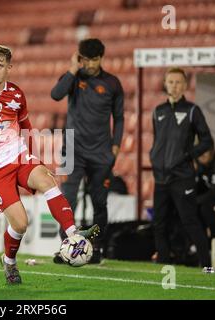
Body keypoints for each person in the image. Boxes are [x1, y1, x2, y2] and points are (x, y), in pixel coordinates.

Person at [0, 45, 99, 285]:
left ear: (9, 68)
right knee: (20, 223)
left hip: (18, 157)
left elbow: (26, 128)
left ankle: (72, 235)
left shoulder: (17, 94)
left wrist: (36, 158)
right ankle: (9, 262)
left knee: (48, 179)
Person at [50, 38, 124, 264]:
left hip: (102, 153)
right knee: (67, 200)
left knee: (99, 203)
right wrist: (73, 68)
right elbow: (56, 94)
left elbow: (119, 118)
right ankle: (68, 246)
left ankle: (96, 248)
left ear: (101, 58)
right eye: (86, 60)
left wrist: (116, 147)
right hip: (72, 150)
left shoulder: (112, 83)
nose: (90, 64)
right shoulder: (73, 78)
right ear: (79, 58)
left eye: (94, 60)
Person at [150, 67, 213, 268]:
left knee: (190, 222)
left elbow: (207, 141)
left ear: (185, 86)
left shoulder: (193, 110)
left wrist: (187, 155)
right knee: (158, 224)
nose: (174, 86)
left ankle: (207, 265)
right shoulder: (157, 111)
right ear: (165, 84)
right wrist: (155, 156)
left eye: (178, 82)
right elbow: (157, 140)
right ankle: (163, 265)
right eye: (171, 82)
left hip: (182, 177)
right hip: (160, 177)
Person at [195, 148, 215, 239]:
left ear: (212, 149)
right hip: (212, 202)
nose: (201, 154)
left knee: (205, 208)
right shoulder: (201, 165)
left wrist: (195, 201)